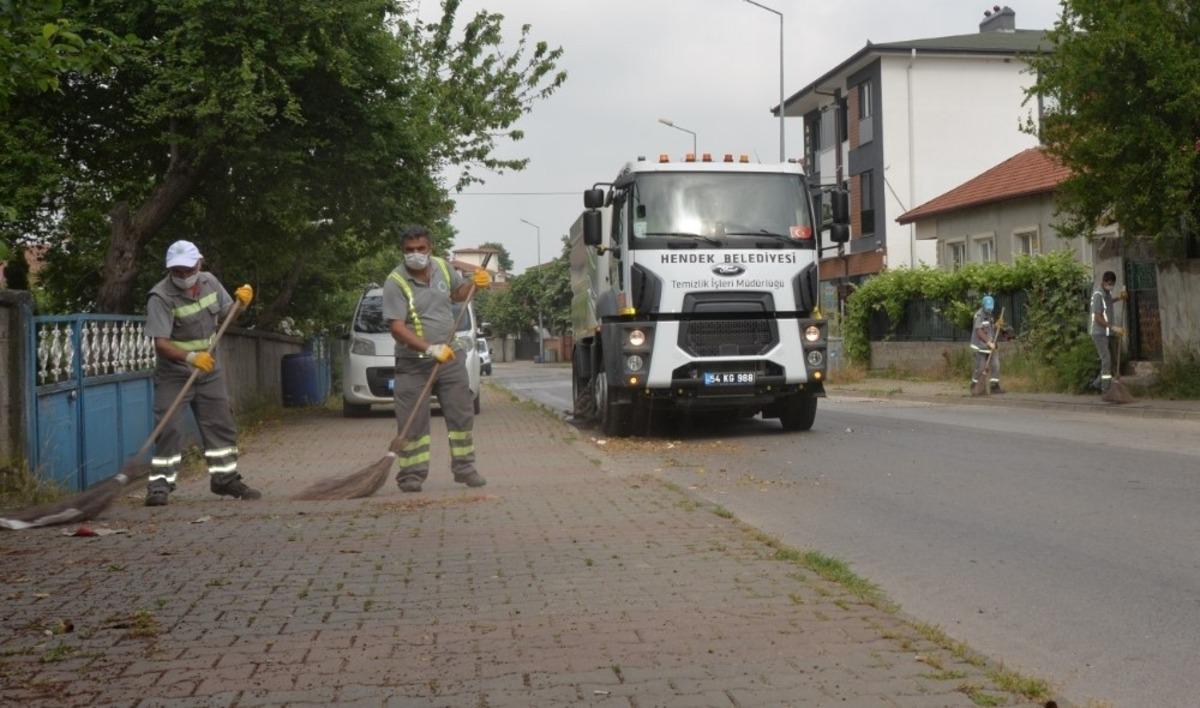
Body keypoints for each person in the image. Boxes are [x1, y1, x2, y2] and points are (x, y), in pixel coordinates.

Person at [144, 240, 260, 506]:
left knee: (221, 424)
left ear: (199, 262)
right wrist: (191, 357)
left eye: (188, 269)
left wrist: (241, 305)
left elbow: (228, 317)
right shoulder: (160, 297)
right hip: (174, 372)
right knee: (169, 428)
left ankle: (224, 479)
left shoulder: (210, 282)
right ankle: (160, 484)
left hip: (209, 371)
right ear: (170, 269)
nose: (184, 275)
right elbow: (161, 343)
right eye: (177, 271)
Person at [382, 225, 491, 493]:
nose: (415, 254)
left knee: (461, 415)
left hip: (450, 357)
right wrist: (430, 349)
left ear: (430, 248)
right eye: (409, 250)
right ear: (402, 251)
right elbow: (397, 328)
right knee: (412, 421)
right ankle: (411, 475)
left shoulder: (443, 267)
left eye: (421, 248)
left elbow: (458, 294)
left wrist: (475, 284)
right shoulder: (395, 281)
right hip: (413, 363)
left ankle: (465, 468)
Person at [1090, 270, 1127, 392]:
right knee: (1106, 360)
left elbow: (1108, 303)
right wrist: (1113, 327)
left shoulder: (1107, 293)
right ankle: (1105, 388)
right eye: (1109, 284)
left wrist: (1119, 298)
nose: (1111, 286)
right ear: (1104, 282)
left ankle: (1096, 384)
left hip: (1108, 333)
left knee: (1112, 360)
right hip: (1099, 333)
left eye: (1112, 284)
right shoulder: (1098, 295)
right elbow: (1097, 317)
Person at [970, 294, 1004, 394]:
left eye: (990, 307)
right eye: (987, 307)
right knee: (980, 368)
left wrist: (997, 325)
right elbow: (979, 331)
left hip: (990, 345)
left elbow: (989, 329)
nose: (989, 309)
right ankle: (974, 385)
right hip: (980, 346)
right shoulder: (979, 315)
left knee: (995, 365)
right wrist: (988, 342)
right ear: (983, 305)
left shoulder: (989, 314)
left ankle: (994, 386)